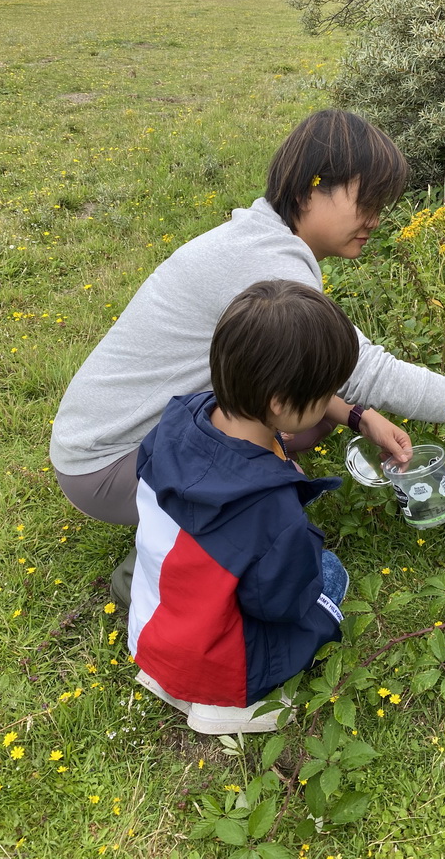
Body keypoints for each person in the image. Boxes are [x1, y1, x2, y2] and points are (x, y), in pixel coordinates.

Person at [50, 108, 445, 528]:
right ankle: (172, 554)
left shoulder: (260, 238)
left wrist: (359, 417)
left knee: (308, 417)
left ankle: (210, 508)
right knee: (273, 492)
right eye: (368, 202)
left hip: (115, 440)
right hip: (106, 465)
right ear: (313, 186)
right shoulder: (264, 262)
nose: (377, 220)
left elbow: (307, 372)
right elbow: (370, 372)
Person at [128, 280, 359, 734]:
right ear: (279, 404)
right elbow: (280, 602)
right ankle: (229, 705)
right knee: (330, 575)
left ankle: (171, 678)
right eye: (325, 393)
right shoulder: (272, 510)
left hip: (154, 629)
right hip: (221, 662)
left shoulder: (180, 417)